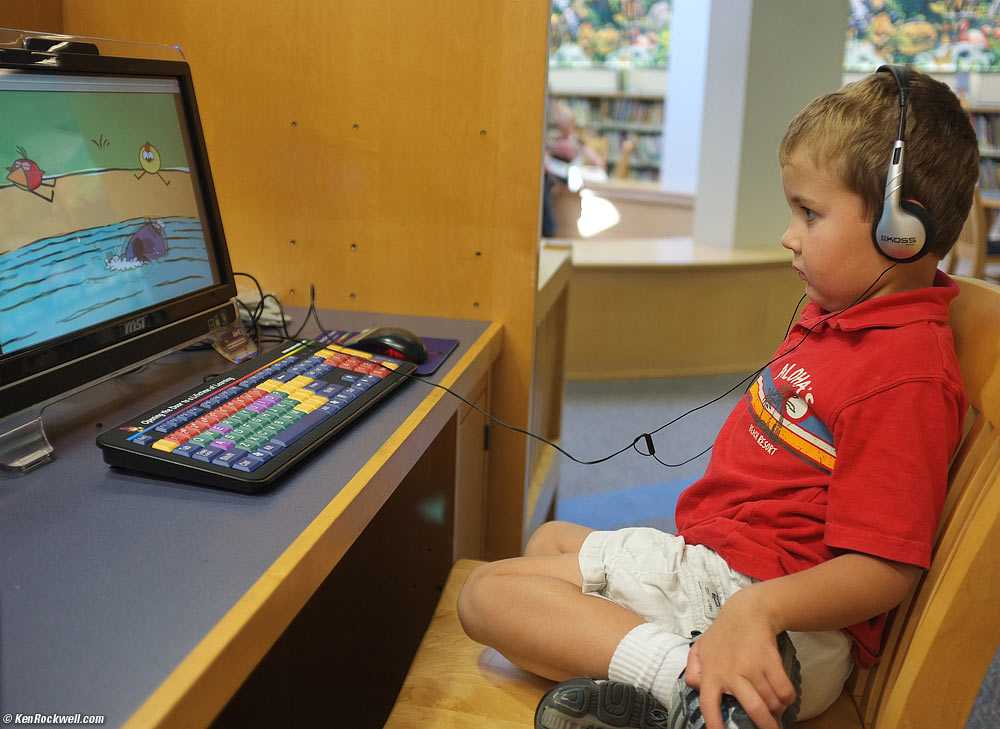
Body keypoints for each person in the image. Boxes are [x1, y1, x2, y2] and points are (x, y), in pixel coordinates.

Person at [457, 65, 979, 729]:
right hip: (731, 577)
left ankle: (688, 688)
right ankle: (661, 690)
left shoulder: (905, 371)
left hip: (776, 623)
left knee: (487, 594)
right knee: (549, 541)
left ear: (901, 230)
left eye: (809, 214)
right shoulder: (847, 317)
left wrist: (756, 610)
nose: (789, 235)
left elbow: (884, 569)